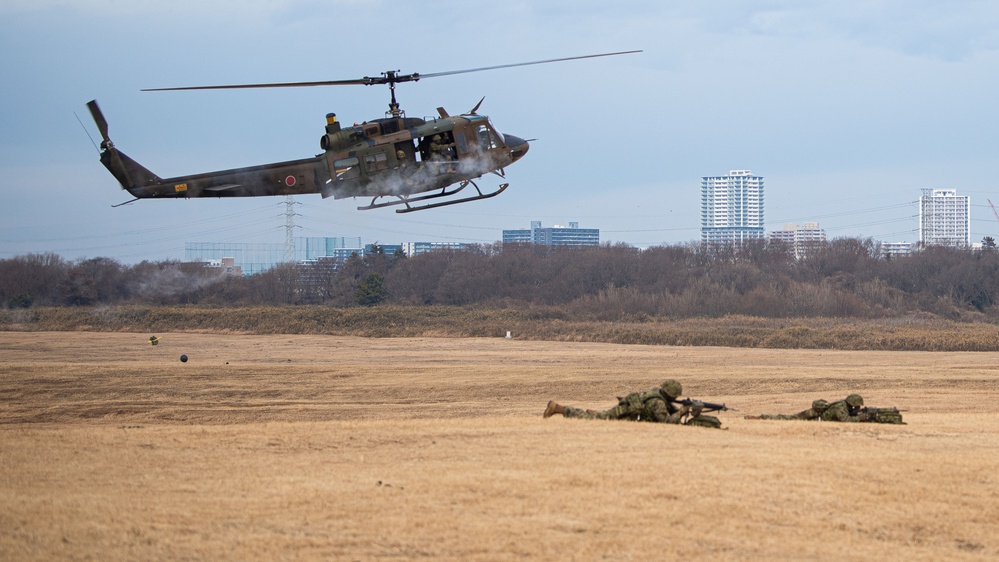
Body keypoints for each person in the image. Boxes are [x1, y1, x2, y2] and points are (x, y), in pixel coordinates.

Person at [542, 379, 722, 428]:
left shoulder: (658, 396)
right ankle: (558, 408)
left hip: (628, 411)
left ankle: (595, 412)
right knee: (593, 419)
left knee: (599, 416)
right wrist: (682, 411)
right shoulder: (658, 403)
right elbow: (667, 423)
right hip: (626, 413)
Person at [754, 393, 865, 422]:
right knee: (788, 419)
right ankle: (762, 418)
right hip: (813, 416)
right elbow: (846, 420)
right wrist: (862, 418)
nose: (858, 408)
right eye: (857, 406)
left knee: (789, 418)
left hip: (815, 415)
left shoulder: (844, 405)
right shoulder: (841, 408)